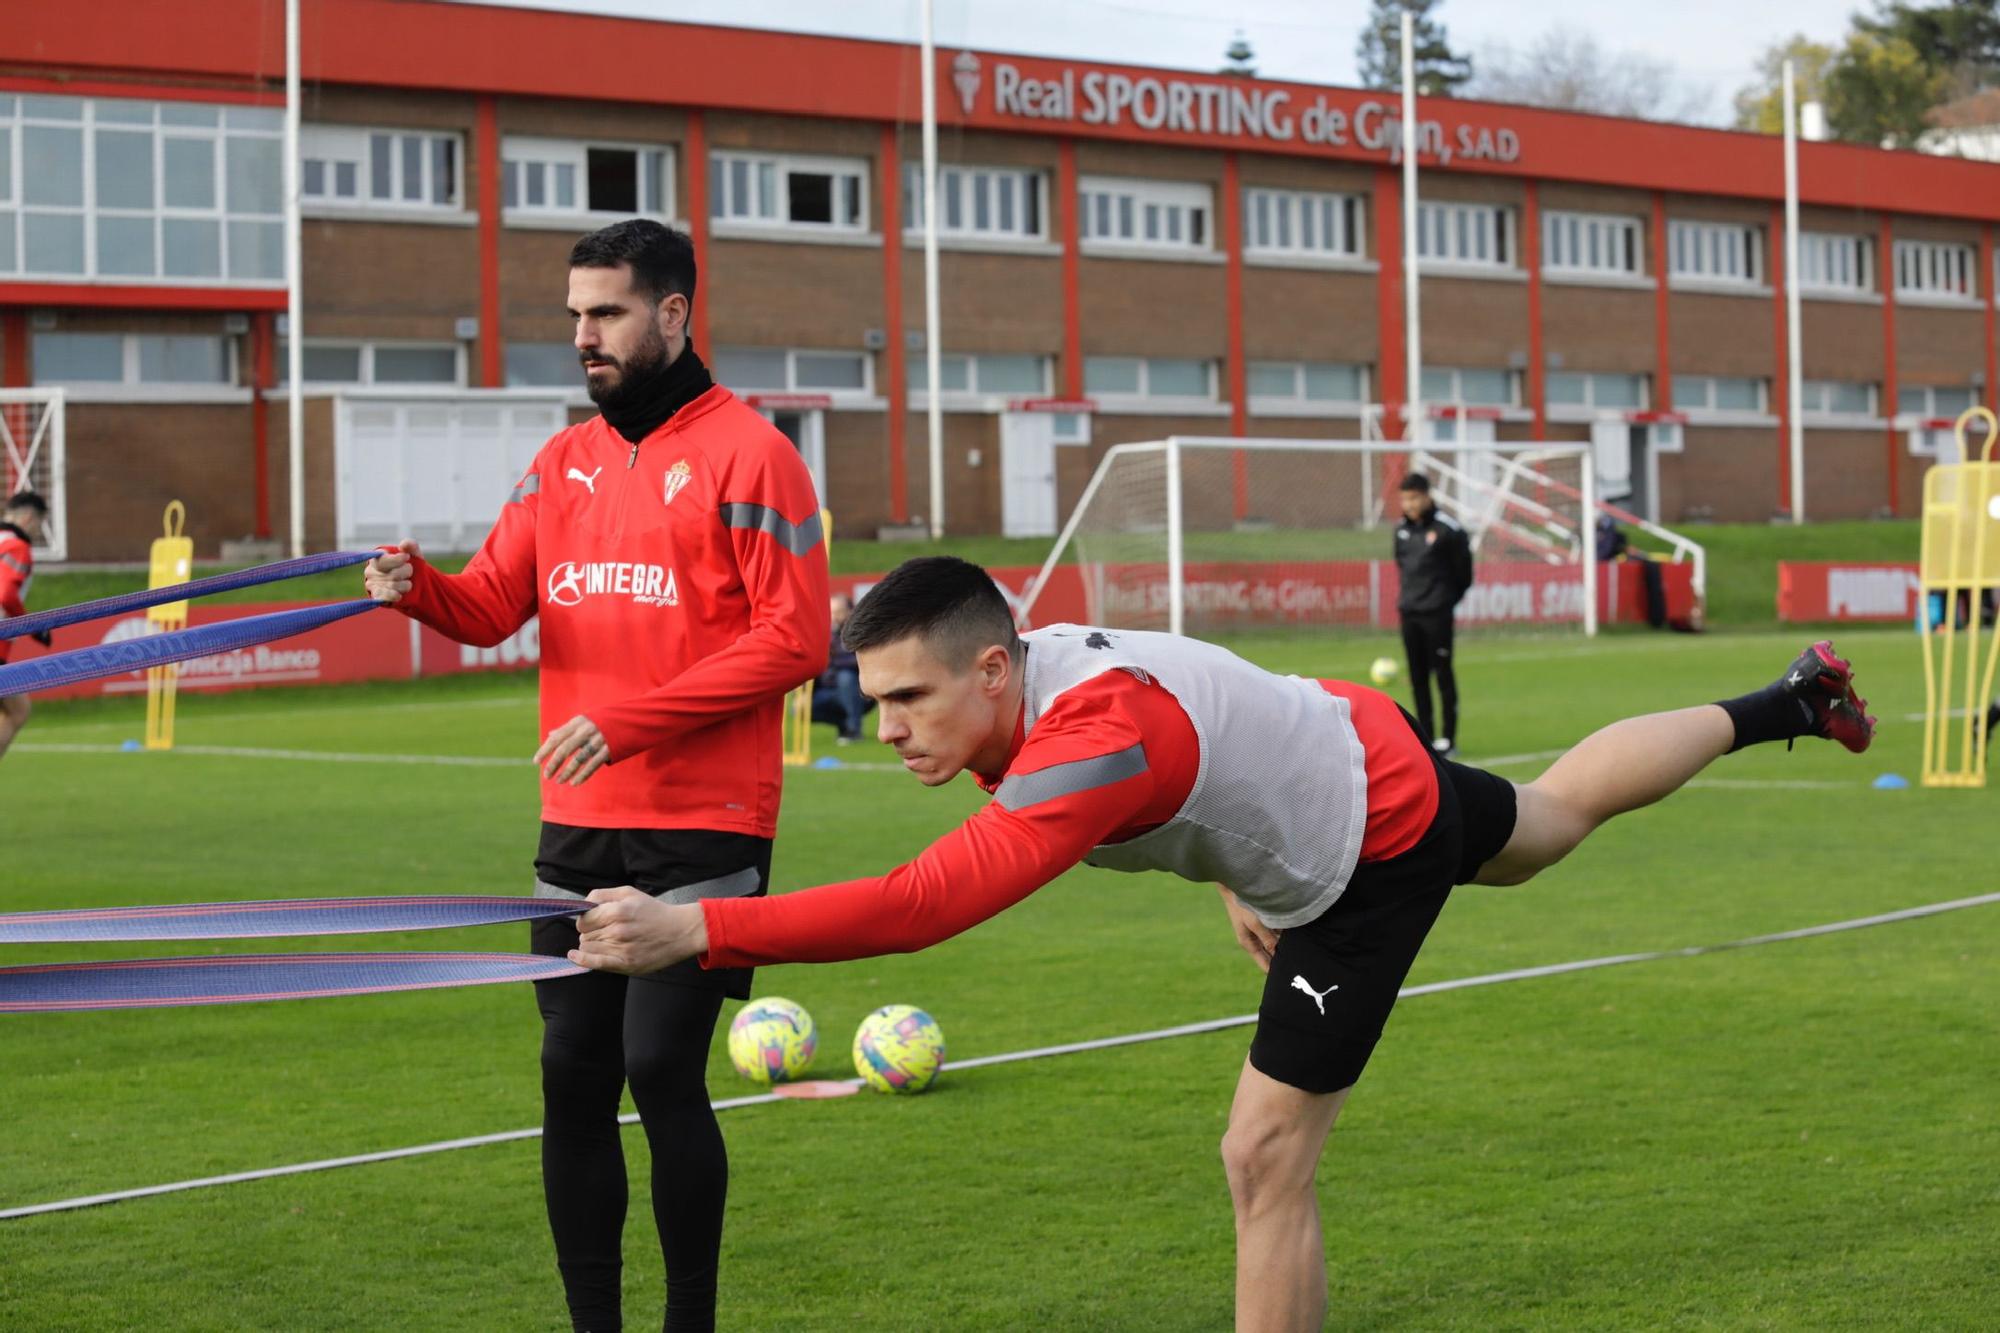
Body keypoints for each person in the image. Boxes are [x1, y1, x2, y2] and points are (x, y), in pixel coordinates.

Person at [560, 555, 1875, 1333]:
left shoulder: (1090, 738)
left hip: (1365, 845)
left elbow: (924, 905)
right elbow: (1201, 734)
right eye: (873, 697)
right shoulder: (1034, 692)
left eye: (911, 697)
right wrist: (1229, 864)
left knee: (1262, 1153)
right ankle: (1789, 701)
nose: (888, 725)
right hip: (1343, 747)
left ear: (997, 674)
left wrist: (698, 926)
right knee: (1545, 822)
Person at [363, 219, 829, 1333]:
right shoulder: (560, 463)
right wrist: (414, 584)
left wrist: (628, 719)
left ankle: (688, 1322)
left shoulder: (752, 452)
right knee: (572, 1071)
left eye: (606, 311)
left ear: (673, 312)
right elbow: (487, 607)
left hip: (707, 824)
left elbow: (797, 639)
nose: (583, 335)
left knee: (659, 1064)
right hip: (576, 823)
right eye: (575, 314)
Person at [1393, 472, 1473, 756]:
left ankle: (1449, 739)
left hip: (1437, 615)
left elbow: (1464, 574)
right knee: (1417, 678)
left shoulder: (1448, 530)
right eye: (1404, 498)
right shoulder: (1401, 531)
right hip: (1409, 613)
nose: (1409, 504)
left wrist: (1444, 602)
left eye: (1414, 498)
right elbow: (1403, 567)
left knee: (1442, 675)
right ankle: (1425, 738)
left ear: (1427, 496)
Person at [0, 491, 52, 763]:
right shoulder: (17, 547)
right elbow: (6, 594)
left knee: (15, 708)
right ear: (30, 517)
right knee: (18, 711)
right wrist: (34, 627)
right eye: (39, 524)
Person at [811, 592, 873, 743]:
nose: (835, 616)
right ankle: (843, 725)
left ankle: (854, 730)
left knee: (845, 677)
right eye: (831, 612)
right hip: (828, 690)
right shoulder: (824, 636)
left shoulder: (861, 635)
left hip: (858, 692)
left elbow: (861, 661)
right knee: (801, 708)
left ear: (850, 612)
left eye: (838, 612)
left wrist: (833, 661)